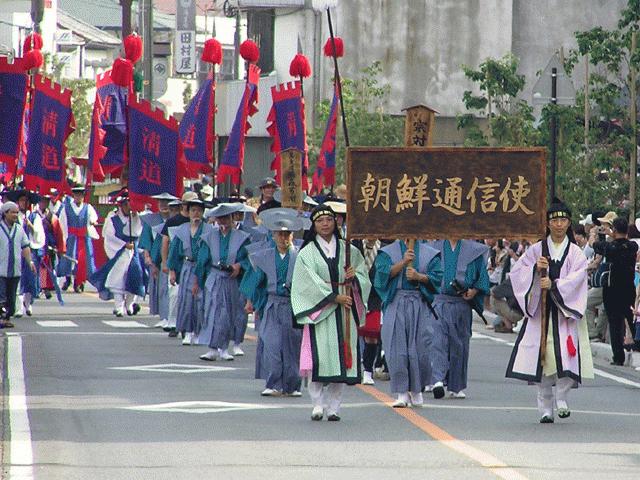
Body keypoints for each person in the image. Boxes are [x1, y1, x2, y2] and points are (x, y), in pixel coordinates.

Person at [506, 198, 593, 423]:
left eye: (563, 220)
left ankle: (561, 397)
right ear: (548, 223)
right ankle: (545, 407)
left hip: (565, 313)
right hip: (541, 313)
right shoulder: (537, 250)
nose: (559, 225)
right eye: (555, 221)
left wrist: (554, 285)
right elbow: (518, 272)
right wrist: (535, 271)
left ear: (569, 223)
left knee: (566, 357)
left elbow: (579, 277)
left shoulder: (575, 253)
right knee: (543, 359)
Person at [291, 204, 371, 421]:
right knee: (319, 360)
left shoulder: (349, 250)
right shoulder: (307, 253)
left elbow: (364, 276)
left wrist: (354, 278)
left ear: (336, 222)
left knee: (342, 360)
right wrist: (334, 297)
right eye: (320, 221)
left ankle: (334, 407)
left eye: (329, 220)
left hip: (345, 309)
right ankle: (317, 404)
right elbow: (306, 281)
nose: (325, 224)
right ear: (313, 225)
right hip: (320, 310)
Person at [243, 209, 304, 396]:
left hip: (293, 305)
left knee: (293, 345)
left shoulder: (300, 255)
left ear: (292, 236)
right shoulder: (264, 255)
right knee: (272, 344)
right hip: (272, 304)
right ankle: (273, 383)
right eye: (280, 234)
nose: (283, 238)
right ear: (273, 236)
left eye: (287, 234)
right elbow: (256, 281)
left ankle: (293, 385)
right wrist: (250, 301)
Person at [374, 239, 442, 407]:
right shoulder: (387, 252)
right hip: (396, 301)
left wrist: (420, 277)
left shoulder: (430, 253)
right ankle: (402, 392)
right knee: (396, 349)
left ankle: (417, 390)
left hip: (419, 302)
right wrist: (403, 262)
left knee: (421, 347)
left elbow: (437, 278)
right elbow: (381, 276)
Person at [428, 238, 490, 399]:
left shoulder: (474, 250)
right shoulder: (434, 247)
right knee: (438, 340)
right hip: (439, 301)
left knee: (459, 344)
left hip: (461, 303)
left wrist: (474, 291)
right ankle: (437, 380)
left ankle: (456, 386)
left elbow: (482, 276)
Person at [196, 203, 250, 360]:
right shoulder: (209, 237)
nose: (223, 221)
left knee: (227, 314)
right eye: (220, 218)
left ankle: (224, 347)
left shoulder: (242, 237)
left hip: (231, 280)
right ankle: (212, 348)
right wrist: (198, 281)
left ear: (232, 218)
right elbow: (202, 261)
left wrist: (239, 266)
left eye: (226, 217)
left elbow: (248, 259)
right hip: (214, 278)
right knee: (212, 312)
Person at [90, 192, 146, 317]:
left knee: (136, 276)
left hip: (134, 252)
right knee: (118, 280)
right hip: (120, 252)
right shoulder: (113, 218)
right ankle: (118, 306)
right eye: (126, 204)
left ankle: (130, 304)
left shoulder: (137, 217)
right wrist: (123, 244)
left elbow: (139, 232)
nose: (128, 207)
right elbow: (109, 236)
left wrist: (135, 218)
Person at [167, 198, 213, 346]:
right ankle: (187, 331)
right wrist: (172, 271)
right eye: (193, 210)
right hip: (187, 266)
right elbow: (174, 251)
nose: (196, 213)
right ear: (188, 212)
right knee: (186, 300)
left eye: (199, 210)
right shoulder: (182, 229)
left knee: (201, 300)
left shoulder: (209, 230)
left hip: (203, 267)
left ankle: (199, 332)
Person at [593, 217, 639, 365]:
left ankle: (618, 357)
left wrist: (602, 235)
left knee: (615, 323)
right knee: (632, 319)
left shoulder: (610, 247)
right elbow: (623, 242)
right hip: (628, 289)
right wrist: (613, 234)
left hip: (612, 290)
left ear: (614, 230)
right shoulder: (632, 246)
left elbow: (596, 246)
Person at [139, 193, 177, 329]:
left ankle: (170, 317)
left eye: (167, 202)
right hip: (156, 256)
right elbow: (146, 239)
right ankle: (163, 316)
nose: (164, 205)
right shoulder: (151, 220)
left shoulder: (175, 219)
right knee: (160, 289)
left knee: (169, 289)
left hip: (170, 257)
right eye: (161, 202)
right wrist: (147, 256)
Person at [161, 192, 196, 337]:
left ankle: (189, 326)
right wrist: (165, 263)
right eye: (190, 205)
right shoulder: (173, 221)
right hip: (176, 261)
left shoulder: (199, 222)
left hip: (193, 262)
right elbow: (165, 242)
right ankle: (174, 322)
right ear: (183, 205)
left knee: (191, 296)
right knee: (175, 294)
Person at [56, 186, 99, 293]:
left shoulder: (88, 207)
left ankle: (79, 282)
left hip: (84, 238)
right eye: (76, 195)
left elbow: (93, 217)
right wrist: (63, 238)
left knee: (83, 260)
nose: (78, 197)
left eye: (80, 195)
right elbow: (62, 223)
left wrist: (92, 221)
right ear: (73, 196)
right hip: (71, 238)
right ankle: (68, 279)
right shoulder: (66, 208)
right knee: (69, 259)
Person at [0, 202, 36, 328]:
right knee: (1, 296)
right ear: (5, 213)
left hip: (15, 269)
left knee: (11, 297)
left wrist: (30, 261)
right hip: (1, 269)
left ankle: (7, 317)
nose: (15, 215)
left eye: (16, 212)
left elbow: (25, 246)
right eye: (12, 212)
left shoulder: (19, 229)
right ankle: (2, 318)